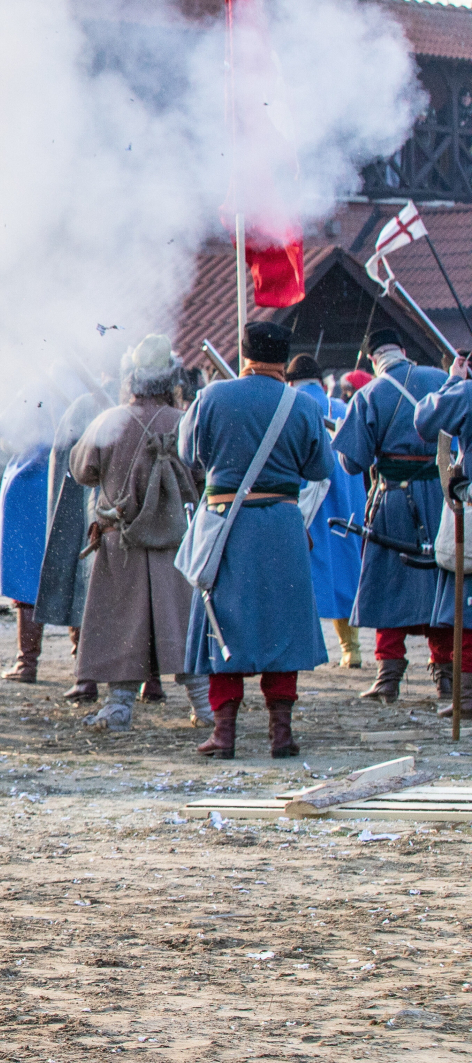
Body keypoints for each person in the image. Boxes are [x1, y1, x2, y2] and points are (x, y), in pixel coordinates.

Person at [180, 322, 332, 759]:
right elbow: (320, 468)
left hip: (226, 524)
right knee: (283, 629)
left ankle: (224, 736)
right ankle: (280, 735)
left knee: (220, 626)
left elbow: (187, 453)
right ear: (284, 358)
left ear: (244, 353)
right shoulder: (301, 405)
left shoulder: (211, 396)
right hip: (283, 526)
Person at [68, 335, 208, 732]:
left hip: (121, 541)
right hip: (174, 544)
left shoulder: (109, 421)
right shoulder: (184, 422)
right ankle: (204, 706)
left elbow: (82, 471)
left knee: (121, 629)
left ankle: (119, 708)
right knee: (180, 626)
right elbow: (201, 472)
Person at [332, 329, 451, 703]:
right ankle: (447, 679)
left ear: (372, 359)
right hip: (443, 499)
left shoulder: (369, 394)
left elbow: (353, 463)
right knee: (441, 585)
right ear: (403, 350)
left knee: (387, 585)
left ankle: (388, 679)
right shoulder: (442, 380)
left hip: (394, 500)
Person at [36, 363, 111, 703]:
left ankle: (90, 677)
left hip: (104, 509)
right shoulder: (86, 406)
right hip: (98, 505)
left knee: (90, 589)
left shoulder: (94, 405)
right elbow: (69, 461)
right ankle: (95, 675)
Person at [0, 378, 64, 682]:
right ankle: (83, 673)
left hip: (30, 485)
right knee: (70, 574)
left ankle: (27, 663)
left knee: (27, 576)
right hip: (65, 482)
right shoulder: (75, 387)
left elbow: (0, 429)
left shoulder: (34, 388)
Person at [287, 355, 364, 667]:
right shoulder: (342, 408)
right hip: (344, 501)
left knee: (304, 574)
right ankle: (352, 648)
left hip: (305, 499)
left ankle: (301, 650)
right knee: (343, 569)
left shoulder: (290, 406)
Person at [411, 352, 472, 715]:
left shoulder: (466, 392)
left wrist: (455, 381)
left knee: (467, 607)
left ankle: (465, 698)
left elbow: (425, 421)